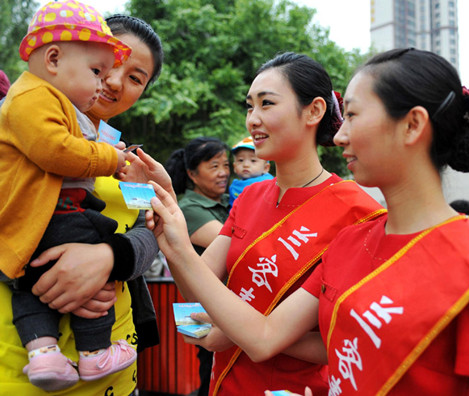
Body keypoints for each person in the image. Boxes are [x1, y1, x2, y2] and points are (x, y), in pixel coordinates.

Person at [147, 48, 469, 395]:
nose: (339, 136)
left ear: (413, 125)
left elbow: (269, 338)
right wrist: (178, 245)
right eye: (249, 106)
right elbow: (279, 335)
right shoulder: (355, 240)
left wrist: (183, 249)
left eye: (352, 115)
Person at [141, 52, 385, 395]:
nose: (253, 119)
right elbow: (194, 290)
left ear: (314, 111)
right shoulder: (251, 198)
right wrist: (171, 239)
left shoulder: (359, 212)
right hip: (223, 384)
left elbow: (344, 341)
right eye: (249, 106)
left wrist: (238, 328)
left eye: (267, 104)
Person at [0, 12, 165, 395]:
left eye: (135, 78)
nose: (112, 81)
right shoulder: (17, 131)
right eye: (105, 66)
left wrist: (111, 259)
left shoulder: (133, 161)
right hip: (18, 367)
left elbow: (152, 234)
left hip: (113, 368)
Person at [165, 136, 231, 396]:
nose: (223, 173)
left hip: (221, 308)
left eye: (226, 165)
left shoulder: (226, 202)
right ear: (192, 173)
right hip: (200, 310)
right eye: (214, 166)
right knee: (211, 375)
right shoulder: (188, 208)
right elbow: (237, 245)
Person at [228, 136, 273, 206]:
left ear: (266, 168)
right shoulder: (234, 186)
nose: (246, 165)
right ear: (234, 167)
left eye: (253, 160)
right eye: (240, 160)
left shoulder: (270, 183)